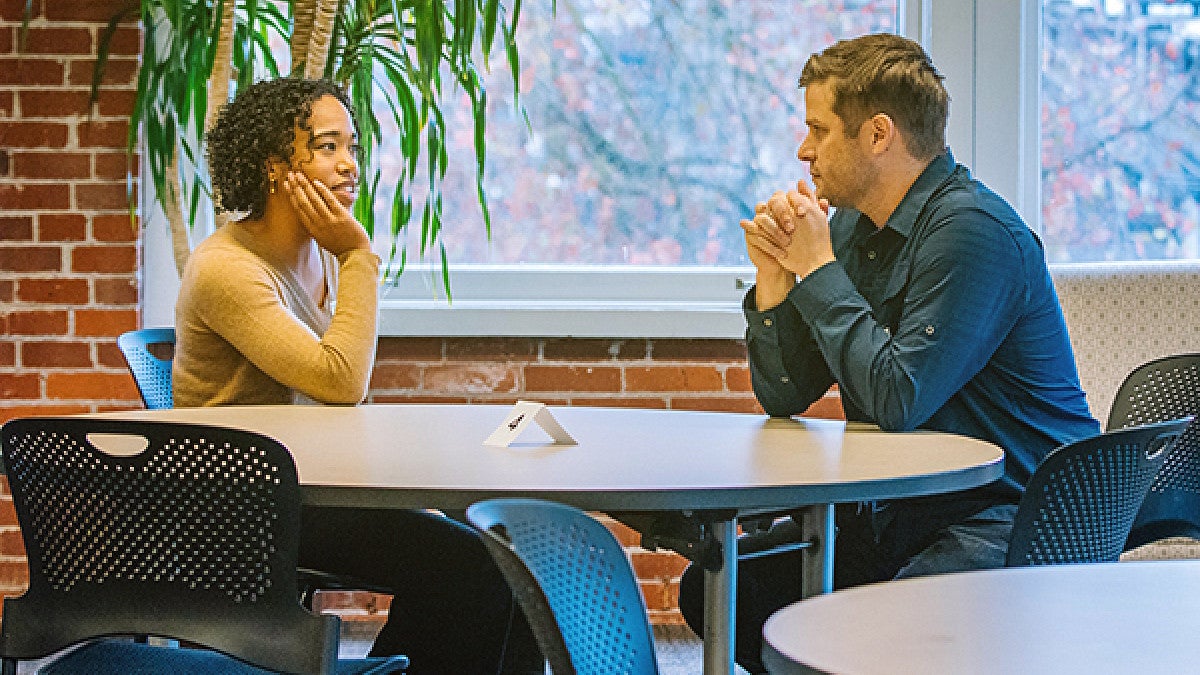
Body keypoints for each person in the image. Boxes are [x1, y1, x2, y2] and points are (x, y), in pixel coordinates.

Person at [675, 33, 1101, 673]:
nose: (803, 149)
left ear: (878, 134)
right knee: (719, 588)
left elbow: (897, 399)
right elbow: (787, 391)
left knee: (889, 635)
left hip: (1017, 518)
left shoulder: (973, 233)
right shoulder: (852, 227)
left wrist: (816, 268)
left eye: (819, 128)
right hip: (907, 514)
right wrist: (774, 279)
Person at [174, 77, 542, 674]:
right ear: (274, 168)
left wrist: (342, 256)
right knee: (472, 569)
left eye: (352, 147)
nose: (349, 165)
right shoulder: (228, 270)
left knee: (513, 560)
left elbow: (339, 393)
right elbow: (341, 381)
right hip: (248, 505)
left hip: (309, 482)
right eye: (326, 147)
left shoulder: (317, 251)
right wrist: (358, 256)